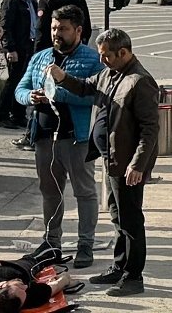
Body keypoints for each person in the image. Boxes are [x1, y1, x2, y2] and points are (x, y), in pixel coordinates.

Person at [46, 29, 160, 297]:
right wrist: (63, 78)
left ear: (123, 52)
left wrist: (138, 164)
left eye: (107, 56)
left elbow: (150, 129)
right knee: (117, 216)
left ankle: (133, 277)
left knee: (131, 221)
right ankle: (119, 267)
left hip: (127, 164)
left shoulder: (139, 81)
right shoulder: (109, 73)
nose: (103, 60)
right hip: (111, 159)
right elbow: (87, 87)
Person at [16, 5, 105, 269]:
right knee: (50, 192)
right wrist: (29, 97)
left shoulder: (91, 59)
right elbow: (20, 88)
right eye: (54, 28)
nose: (57, 33)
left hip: (76, 139)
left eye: (63, 29)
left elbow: (95, 95)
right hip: (44, 138)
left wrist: (60, 91)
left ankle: (85, 244)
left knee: (84, 192)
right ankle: (52, 241)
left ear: (78, 31)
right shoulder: (41, 57)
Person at [0, 0, 40, 129]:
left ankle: (19, 114)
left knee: (25, 82)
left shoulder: (32, 1)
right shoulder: (12, 1)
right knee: (13, 81)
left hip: (29, 46)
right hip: (17, 49)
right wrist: (10, 48)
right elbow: (5, 27)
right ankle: (2, 115)